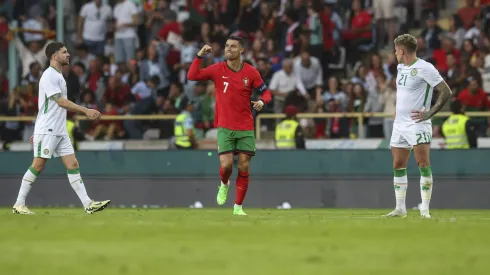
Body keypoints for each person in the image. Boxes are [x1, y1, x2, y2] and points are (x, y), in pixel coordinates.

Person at [12, 42, 111, 215]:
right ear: (54, 56)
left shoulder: (58, 76)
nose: (68, 55)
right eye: (64, 52)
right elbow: (60, 101)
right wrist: (85, 110)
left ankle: (88, 203)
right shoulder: (50, 75)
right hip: (49, 128)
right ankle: (19, 204)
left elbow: (45, 105)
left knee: (72, 163)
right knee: (38, 164)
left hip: (59, 129)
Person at [187, 36, 272, 215]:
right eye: (226, 46)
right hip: (225, 126)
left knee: (243, 166)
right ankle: (224, 184)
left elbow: (267, 94)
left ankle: (238, 207)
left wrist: (262, 103)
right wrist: (199, 56)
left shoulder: (251, 72)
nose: (229, 49)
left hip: (246, 126)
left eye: (233, 46)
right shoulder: (218, 69)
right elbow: (192, 75)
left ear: (241, 50)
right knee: (226, 166)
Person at [385, 34, 452, 219]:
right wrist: (399, 110)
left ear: (402, 50)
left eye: (396, 49)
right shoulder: (400, 67)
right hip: (400, 124)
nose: (394, 52)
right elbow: (405, 93)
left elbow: (446, 92)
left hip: (417, 124)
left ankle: (425, 209)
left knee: (423, 163)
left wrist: (429, 113)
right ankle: (400, 208)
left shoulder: (426, 68)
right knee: (398, 164)